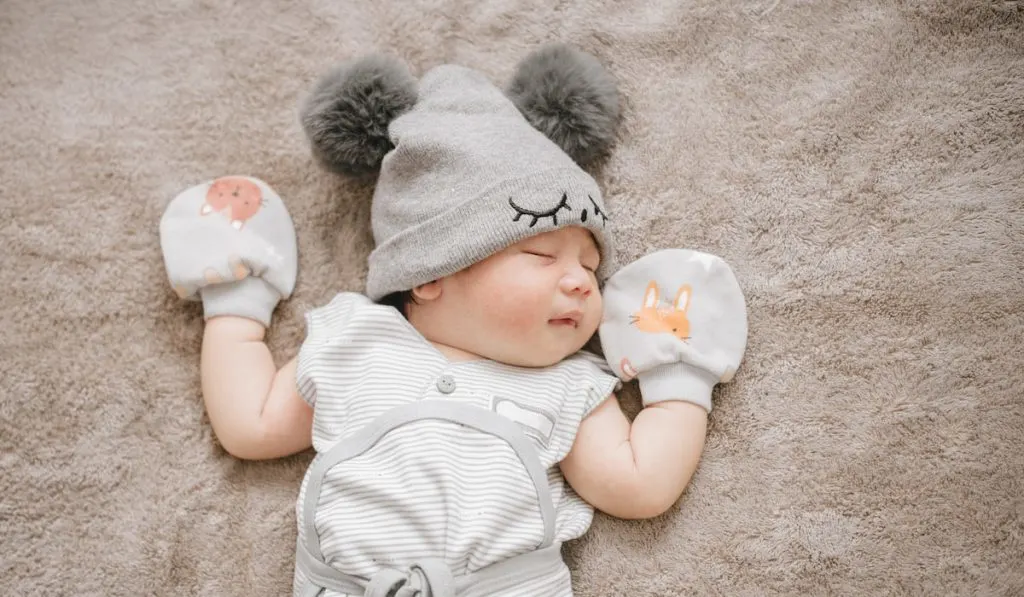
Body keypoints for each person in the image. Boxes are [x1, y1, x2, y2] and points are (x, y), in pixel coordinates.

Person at [159, 45, 747, 597]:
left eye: (592, 269)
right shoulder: (355, 341)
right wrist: (236, 308)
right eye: (541, 257)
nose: (580, 282)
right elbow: (252, 425)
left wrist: (677, 382)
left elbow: (639, 485)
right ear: (430, 273)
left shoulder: (570, 385)